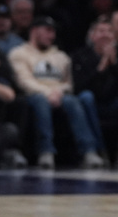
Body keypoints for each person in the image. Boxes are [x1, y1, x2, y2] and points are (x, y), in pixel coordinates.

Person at [9, 16, 104, 169]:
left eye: (53, 32)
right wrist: (49, 93)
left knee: (73, 101)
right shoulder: (19, 53)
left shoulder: (61, 56)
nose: (51, 36)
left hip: (59, 95)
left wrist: (58, 92)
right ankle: (46, 151)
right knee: (40, 100)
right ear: (34, 31)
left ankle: (88, 151)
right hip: (33, 95)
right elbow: (24, 81)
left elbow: (68, 83)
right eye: (47, 31)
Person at [72, 16, 118, 169]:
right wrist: (101, 68)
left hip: (113, 103)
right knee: (85, 97)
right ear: (92, 36)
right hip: (91, 104)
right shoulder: (80, 56)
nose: (105, 34)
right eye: (101, 31)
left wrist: (114, 65)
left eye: (109, 31)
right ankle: (99, 150)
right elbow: (80, 87)